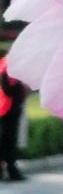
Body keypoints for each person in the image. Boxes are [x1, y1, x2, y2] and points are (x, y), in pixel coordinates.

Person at [0, 25, 29, 181]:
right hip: (8, 108)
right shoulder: (9, 64)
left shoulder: (5, 63)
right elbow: (7, 86)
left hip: (6, 107)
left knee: (6, 140)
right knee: (8, 140)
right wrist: (17, 97)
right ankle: (11, 169)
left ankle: (8, 169)